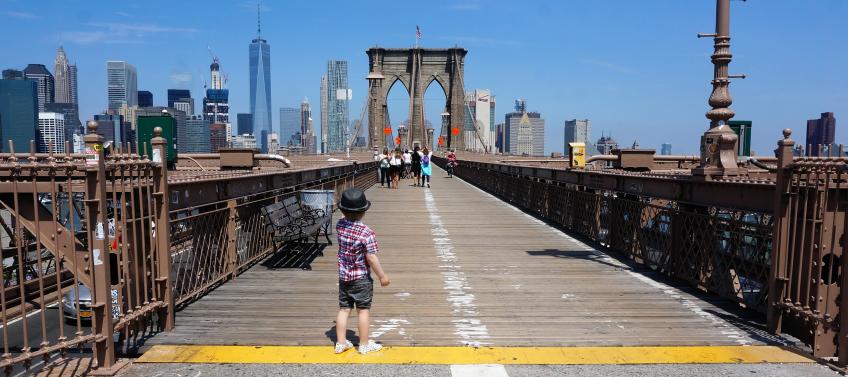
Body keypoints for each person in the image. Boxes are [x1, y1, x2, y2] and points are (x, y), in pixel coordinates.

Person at [333, 188, 390, 355]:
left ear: (343, 210)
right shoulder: (366, 233)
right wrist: (382, 276)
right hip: (361, 279)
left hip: (344, 277)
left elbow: (344, 217)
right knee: (363, 310)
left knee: (344, 309)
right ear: (364, 211)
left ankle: (341, 342)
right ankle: (364, 344)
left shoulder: (339, 225)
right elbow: (371, 257)